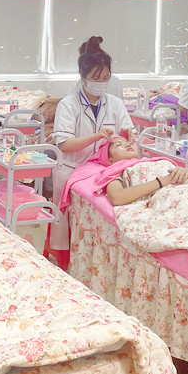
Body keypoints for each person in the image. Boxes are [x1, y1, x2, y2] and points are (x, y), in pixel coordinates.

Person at [51, 36, 133, 250]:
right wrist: (95, 137)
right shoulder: (68, 105)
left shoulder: (115, 104)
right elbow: (65, 144)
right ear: (82, 76)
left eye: (105, 78)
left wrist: (127, 136)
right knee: (66, 228)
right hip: (73, 169)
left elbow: (127, 135)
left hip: (104, 171)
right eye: (96, 78)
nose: (101, 83)